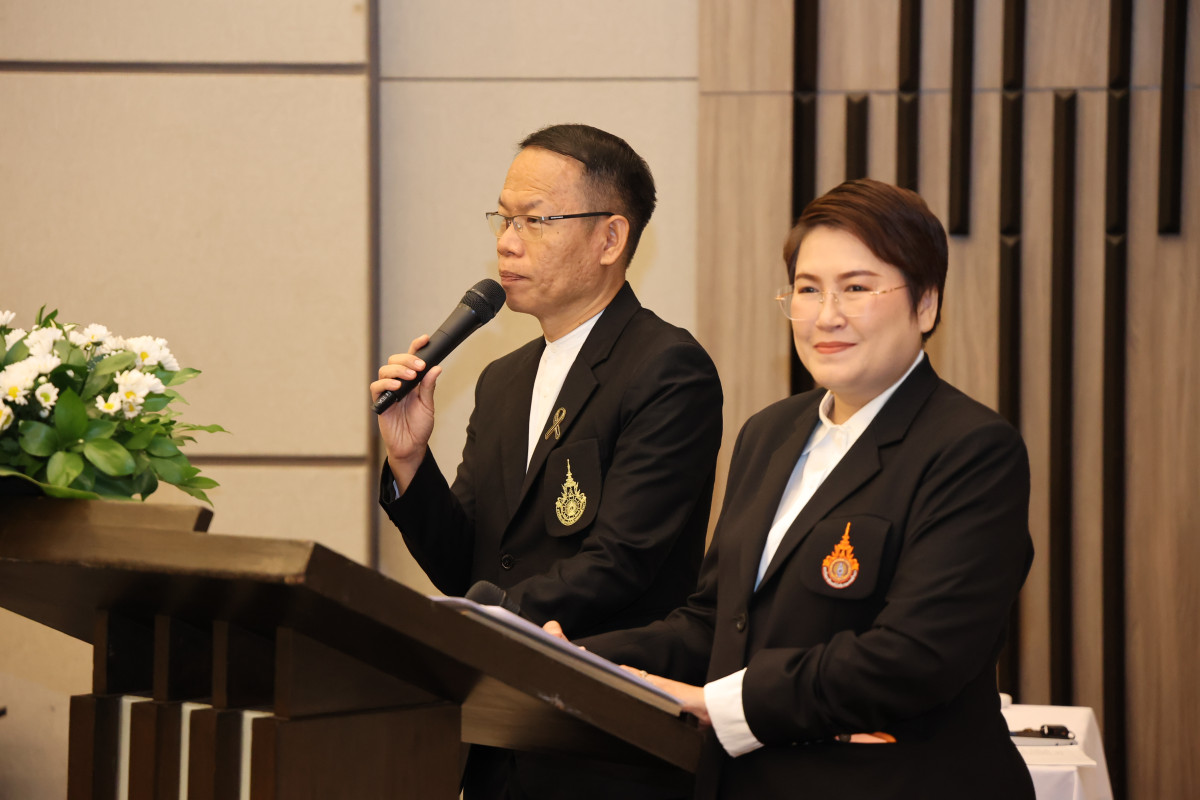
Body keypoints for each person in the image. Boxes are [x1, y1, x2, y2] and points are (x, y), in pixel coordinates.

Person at [565, 179, 1036, 799]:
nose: (826, 315)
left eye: (857, 288)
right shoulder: (770, 433)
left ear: (926, 305)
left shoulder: (971, 449)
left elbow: (914, 658)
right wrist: (578, 659)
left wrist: (721, 705)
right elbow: (715, 624)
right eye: (808, 289)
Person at [371, 124, 723, 799]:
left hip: (604, 746)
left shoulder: (666, 369)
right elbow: (470, 562)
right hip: (498, 738)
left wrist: (478, 623)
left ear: (610, 239)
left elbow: (620, 561)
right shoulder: (503, 379)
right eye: (503, 219)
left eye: (534, 220)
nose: (507, 242)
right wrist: (410, 461)